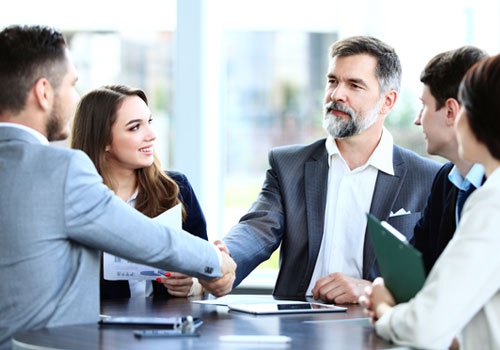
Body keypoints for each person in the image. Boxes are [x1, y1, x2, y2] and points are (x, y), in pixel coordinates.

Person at [0, 24, 235, 350]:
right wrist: (214, 260)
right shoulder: (62, 171)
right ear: (43, 92)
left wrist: (194, 282)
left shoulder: (174, 186)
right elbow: (149, 240)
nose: (75, 97)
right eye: (72, 85)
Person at [219, 36, 441, 304]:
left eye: (354, 85)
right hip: (298, 330)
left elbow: (437, 277)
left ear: (388, 102)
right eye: (333, 81)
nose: (336, 94)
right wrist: (217, 261)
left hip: (379, 330)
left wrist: (371, 290)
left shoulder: (428, 179)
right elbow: (256, 231)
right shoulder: (288, 165)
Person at [360, 53, 500, 350]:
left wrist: (385, 311)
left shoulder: (493, 201)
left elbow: (425, 328)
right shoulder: (453, 183)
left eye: (464, 110)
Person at [71, 85, 207, 299]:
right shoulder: (75, 201)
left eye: (149, 122)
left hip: (166, 327)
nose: (151, 135)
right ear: (103, 140)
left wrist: (193, 286)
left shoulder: (176, 189)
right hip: (99, 328)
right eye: (135, 127)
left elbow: (204, 273)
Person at [411, 46, 488, 273]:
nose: (417, 120)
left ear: (450, 112)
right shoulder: (445, 179)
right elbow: (418, 261)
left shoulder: (494, 188)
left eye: (424, 105)